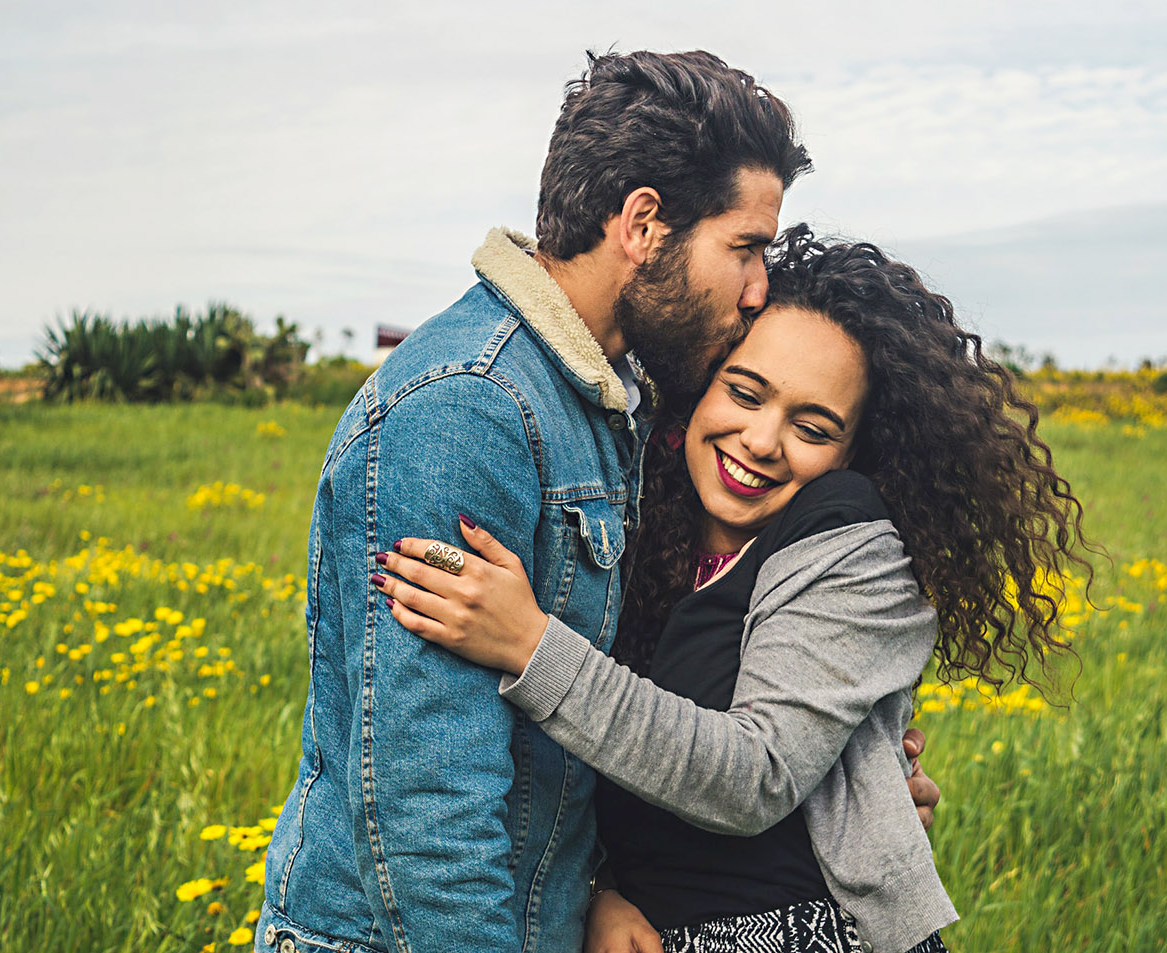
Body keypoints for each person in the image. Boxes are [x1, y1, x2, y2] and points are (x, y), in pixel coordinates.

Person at [256, 52, 940, 953]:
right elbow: (430, 807)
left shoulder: (612, 402)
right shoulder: (470, 409)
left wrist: (599, 889)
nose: (759, 285)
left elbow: (566, 755)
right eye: (745, 247)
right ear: (645, 225)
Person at [371, 228, 1093, 953]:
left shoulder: (853, 543)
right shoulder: (635, 521)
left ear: (854, 452)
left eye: (811, 426)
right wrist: (599, 887)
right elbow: (592, 759)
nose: (760, 439)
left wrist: (530, 644)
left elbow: (754, 774)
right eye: (745, 392)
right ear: (697, 386)